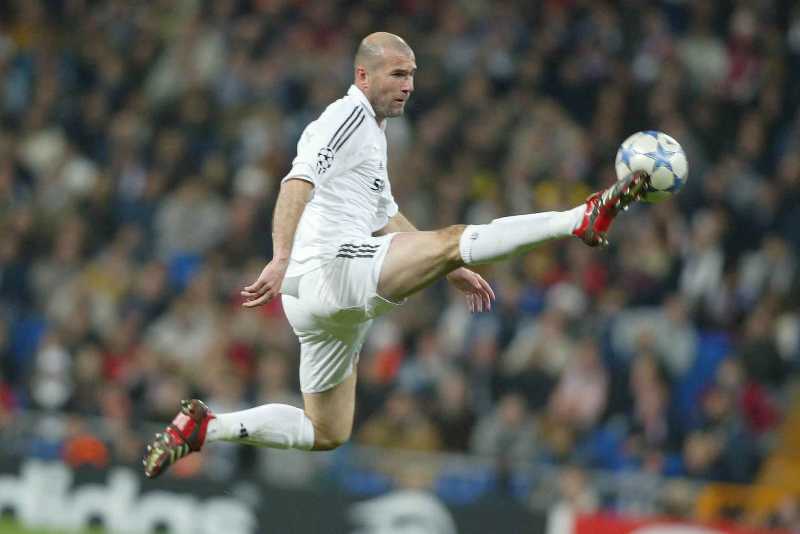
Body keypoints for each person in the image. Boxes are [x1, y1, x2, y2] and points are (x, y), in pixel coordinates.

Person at [143, 32, 647, 478]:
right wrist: (280, 256)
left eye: (412, 75)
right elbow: (297, 181)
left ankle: (207, 427)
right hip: (330, 267)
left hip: (322, 302)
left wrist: (449, 268)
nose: (408, 85)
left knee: (326, 430)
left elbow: (386, 214)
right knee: (454, 236)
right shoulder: (346, 117)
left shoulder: (373, 133)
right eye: (397, 74)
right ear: (363, 75)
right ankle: (578, 218)